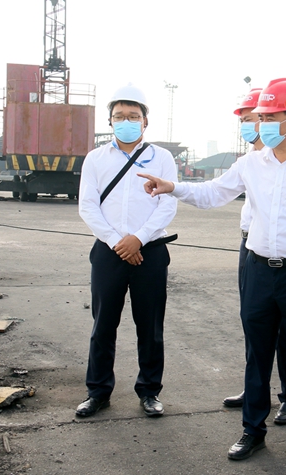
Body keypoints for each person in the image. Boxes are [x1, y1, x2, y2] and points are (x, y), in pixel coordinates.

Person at [139, 78, 286, 468]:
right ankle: (253, 430)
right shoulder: (250, 164)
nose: (262, 124)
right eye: (261, 117)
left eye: (270, 117)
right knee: (257, 355)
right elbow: (213, 193)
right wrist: (173, 187)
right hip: (258, 271)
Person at [75, 83, 178, 419]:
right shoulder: (96, 159)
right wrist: (118, 242)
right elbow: (88, 206)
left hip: (151, 252)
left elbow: (167, 205)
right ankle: (98, 392)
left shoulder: (162, 158)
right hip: (109, 252)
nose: (126, 121)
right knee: (103, 325)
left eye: (133, 116)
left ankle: (149, 391)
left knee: (150, 326)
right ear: (110, 121)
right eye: (119, 116)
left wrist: (139, 239)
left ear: (145, 121)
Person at [222, 88, 286, 426]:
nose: (248, 126)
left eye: (252, 119)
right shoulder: (249, 161)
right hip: (250, 248)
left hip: (280, 255)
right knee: (253, 323)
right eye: (244, 121)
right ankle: (255, 390)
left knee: (285, 331)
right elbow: (216, 191)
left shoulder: (282, 158)